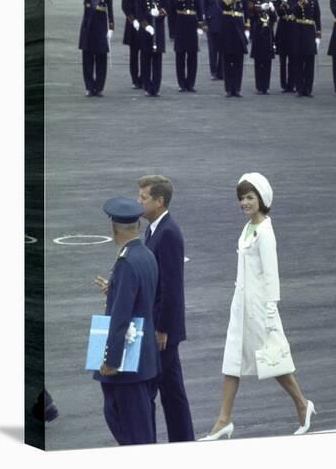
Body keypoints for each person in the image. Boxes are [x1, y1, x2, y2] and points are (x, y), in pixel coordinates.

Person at [199, 172, 316, 441]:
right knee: (232, 360)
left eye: (250, 197)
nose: (244, 202)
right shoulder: (248, 227)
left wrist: (271, 311)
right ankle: (224, 419)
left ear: (262, 199)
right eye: (241, 198)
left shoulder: (265, 231)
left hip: (260, 308)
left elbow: (271, 275)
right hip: (241, 306)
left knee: (272, 361)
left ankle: (301, 403)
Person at [93, 196, 160, 446]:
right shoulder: (146, 256)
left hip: (128, 366)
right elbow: (145, 298)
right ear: (138, 226)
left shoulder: (125, 263)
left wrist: (111, 361)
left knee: (131, 433)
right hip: (147, 360)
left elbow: (120, 318)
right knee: (144, 429)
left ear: (113, 228)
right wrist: (115, 289)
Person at [137, 175, 195, 443]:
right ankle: (183, 441)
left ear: (159, 201)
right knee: (172, 392)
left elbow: (172, 289)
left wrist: (161, 329)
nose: (139, 201)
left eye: (144, 197)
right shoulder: (153, 230)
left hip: (163, 332)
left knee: (149, 389)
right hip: (162, 328)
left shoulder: (168, 233)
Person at [64, 0, 114, 97]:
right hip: (88, 17)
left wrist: (111, 24)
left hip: (100, 17)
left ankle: (99, 87)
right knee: (87, 54)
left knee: (100, 54)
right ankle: (89, 86)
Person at [135, 0, 170, 97]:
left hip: (158, 26)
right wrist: (145, 24)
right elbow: (138, 9)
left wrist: (160, 13)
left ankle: (155, 87)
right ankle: (147, 86)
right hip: (147, 27)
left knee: (157, 59)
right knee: (145, 58)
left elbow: (167, 6)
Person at [171, 0, 206, 92]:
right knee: (180, 54)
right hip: (180, 21)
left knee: (192, 54)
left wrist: (200, 23)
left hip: (191, 21)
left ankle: (190, 83)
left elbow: (199, 5)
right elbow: (173, 6)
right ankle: (181, 83)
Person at [218, 0, 251, 97]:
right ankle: (228, 88)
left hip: (238, 25)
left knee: (238, 60)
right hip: (227, 25)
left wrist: (247, 28)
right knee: (227, 59)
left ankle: (236, 88)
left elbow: (247, 11)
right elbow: (221, 5)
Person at [290, 0, 321, 97]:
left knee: (309, 62)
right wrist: (301, 1)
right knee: (298, 61)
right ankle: (299, 88)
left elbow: (317, 17)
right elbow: (293, 12)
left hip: (309, 32)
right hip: (298, 31)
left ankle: (308, 89)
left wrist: (318, 33)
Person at [248, 0, 277, 94]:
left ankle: (266, 86)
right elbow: (250, 11)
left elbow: (274, 19)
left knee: (267, 62)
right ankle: (259, 86)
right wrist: (259, 8)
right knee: (258, 62)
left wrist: (273, 10)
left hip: (268, 35)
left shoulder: (268, 1)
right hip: (257, 33)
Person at [272, 0, 297, 92]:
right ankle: (283, 84)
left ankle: (291, 84)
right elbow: (278, 12)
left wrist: (289, 2)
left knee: (292, 59)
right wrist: (283, 1)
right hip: (282, 28)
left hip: (292, 28)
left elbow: (295, 11)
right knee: (282, 60)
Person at [122, 0, 143, 89]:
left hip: (143, 22)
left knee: (145, 52)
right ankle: (135, 79)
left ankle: (143, 77)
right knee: (134, 53)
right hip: (132, 22)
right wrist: (133, 19)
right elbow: (125, 5)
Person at [201, 0, 226, 80]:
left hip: (224, 21)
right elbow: (203, 5)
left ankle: (222, 71)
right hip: (211, 21)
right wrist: (204, 22)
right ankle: (213, 72)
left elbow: (229, 3)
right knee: (212, 49)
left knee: (223, 48)